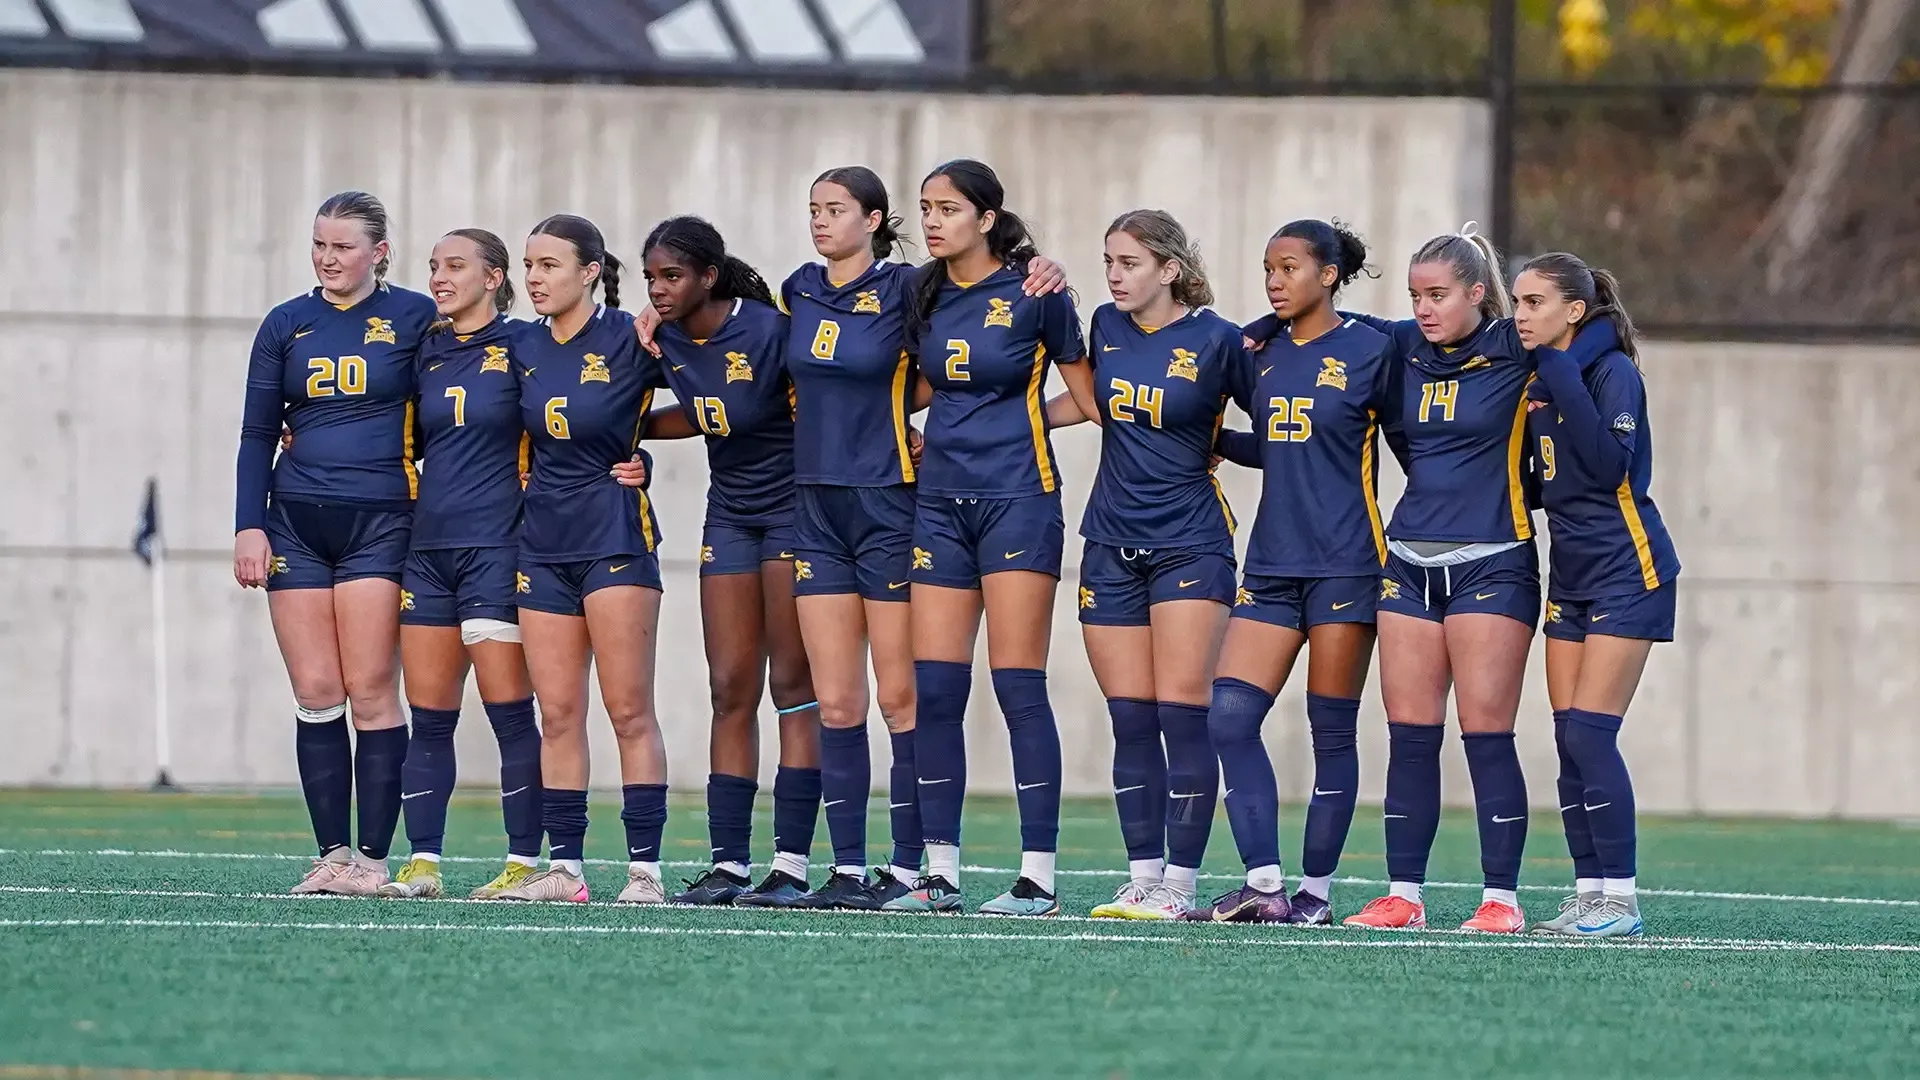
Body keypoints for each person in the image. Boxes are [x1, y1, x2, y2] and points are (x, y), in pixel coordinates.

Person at [632, 166, 1065, 910]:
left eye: (836, 210)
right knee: (833, 704)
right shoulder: (798, 290)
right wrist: (650, 346)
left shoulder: (910, 288)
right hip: (815, 512)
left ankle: (907, 871)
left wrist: (1038, 267)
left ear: (874, 219)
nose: (821, 221)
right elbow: (742, 382)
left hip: (890, 507)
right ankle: (840, 870)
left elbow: (956, 344)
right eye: (813, 209)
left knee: (901, 697)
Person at [882, 159, 1096, 917]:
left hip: (1018, 502)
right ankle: (939, 873)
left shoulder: (1037, 291)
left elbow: (1089, 398)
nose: (933, 221)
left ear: (985, 216)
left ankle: (1036, 876)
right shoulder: (919, 291)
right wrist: (907, 422)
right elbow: (922, 384)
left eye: (947, 209)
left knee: (1016, 685)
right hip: (938, 505)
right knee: (936, 691)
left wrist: (1027, 423)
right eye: (925, 208)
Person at [1336, 224, 1543, 933]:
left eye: (1439, 296)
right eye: (1416, 296)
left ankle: (1501, 901)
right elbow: (1327, 320)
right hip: (1408, 563)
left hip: (1494, 561)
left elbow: (1593, 327)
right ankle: (1404, 896)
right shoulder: (1402, 346)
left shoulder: (1516, 345)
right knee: (1410, 735)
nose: (1424, 309)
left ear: (1479, 295)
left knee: (1486, 734)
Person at [1189, 220, 1395, 925]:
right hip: (1272, 566)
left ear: (1328, 274)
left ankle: (1316, 893)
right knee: (1229, 717)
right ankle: (1266, 884)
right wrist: (1211, 441)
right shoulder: (1264, 353)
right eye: (1268, 269)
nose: (1274, 281)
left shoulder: (1375, 347)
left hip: (1347, 565)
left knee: (1329, 732)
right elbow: (1280, 441)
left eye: (1289, 268)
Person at [233, 191, 437, 895]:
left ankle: (374, 862)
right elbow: (259, 431)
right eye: (318, 245)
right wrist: (248, 523)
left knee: (373, 687)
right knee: (317, 690)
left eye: (342, 247)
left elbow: (480, 379)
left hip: (380, 519)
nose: (327, 259)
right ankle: (332, 854)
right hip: (295, 520)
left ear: (379, 252)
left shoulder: (415, 315)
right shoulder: (286, 323)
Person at [627, 215, 824, 908]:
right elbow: (704, 411)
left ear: (709, 275)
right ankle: (729, 865)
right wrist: (637, 438)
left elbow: (818, 405)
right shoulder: (662, 337)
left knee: (793, 683)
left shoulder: (769, 332)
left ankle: (792, 866)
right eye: (651, 277)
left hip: (797, 514)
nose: (658, 289)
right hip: (731, 516)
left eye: (672, 276)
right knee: (728, 685)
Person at [490, 215, 672, 904]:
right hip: (541, 544)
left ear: (591, 271)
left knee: (629, 711)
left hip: (616, 540)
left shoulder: (633, 335)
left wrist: (643, 451)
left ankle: (645, 873)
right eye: (529, 265)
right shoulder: (520, 344)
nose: (533, 278)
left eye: (549, 265)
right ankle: (563, 869)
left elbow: (717, 388)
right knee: (559, 714)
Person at [1072, 210, 1246, 922]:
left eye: (1130, 263)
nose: (1114, 275)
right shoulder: (1105, 330)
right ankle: (1143, 876)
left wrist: (1222, 446)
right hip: (1109, 541)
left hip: (1189, 543)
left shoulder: (1219, 340)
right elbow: (1091, 406)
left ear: (1170, 270)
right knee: (1131, 719)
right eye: (1108, 261)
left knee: (1184, 715)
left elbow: (1286, 424)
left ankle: (1180, 881)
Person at [373, 229, 545, 900]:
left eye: (455, 266)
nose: (439, 277)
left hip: (498, 552)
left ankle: (523, 863)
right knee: (431, 714)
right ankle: (423, 864)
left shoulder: (526, 345)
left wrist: (630, 459)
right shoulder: (426, 350)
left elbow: (580, 419)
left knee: (509, 714)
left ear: (494, 277)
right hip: (427, 554)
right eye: (434, 267)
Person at [1513, 254, 1678, 938]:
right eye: (1516, 303)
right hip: (1572, 577)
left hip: (1628, 570)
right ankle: (1588, 894)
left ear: (1574, 311)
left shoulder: (1609, 372)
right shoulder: (1540, 375)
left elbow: (1610, 465)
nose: (1520, 316)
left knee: (1590, 732)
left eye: (1534, 303)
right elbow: (1535, 485)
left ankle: (1621, 901)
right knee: (1566, 737)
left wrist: (1556, 376)